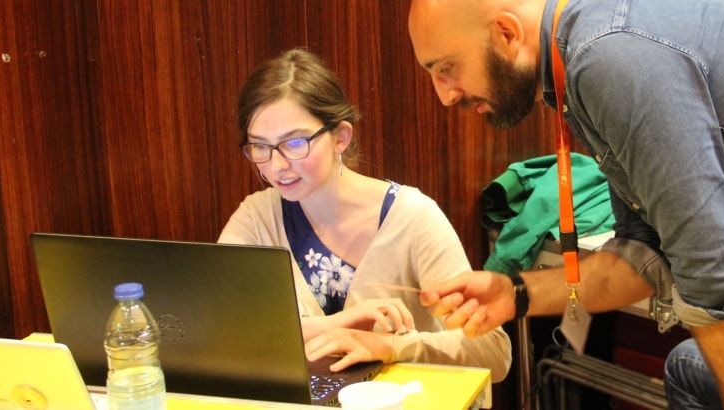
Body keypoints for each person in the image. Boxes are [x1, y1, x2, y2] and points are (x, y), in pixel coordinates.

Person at [408, 0, 724, 408]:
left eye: (446, 68)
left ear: (506, 34)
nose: (444, 97)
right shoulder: (586, 49)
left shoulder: (606, 55)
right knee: (689, 367)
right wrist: (514, 293)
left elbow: (717, 276)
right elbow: (645, 255)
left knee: (695, 369)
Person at [217, 48, 511, 383]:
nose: (277, 165)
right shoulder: (257, 218)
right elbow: (222, 333)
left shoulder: (412, 217)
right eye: (260, 147)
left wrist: (392, 347)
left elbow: (493, 351)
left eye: (295, 143)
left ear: (341, 137)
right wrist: (335, 325)